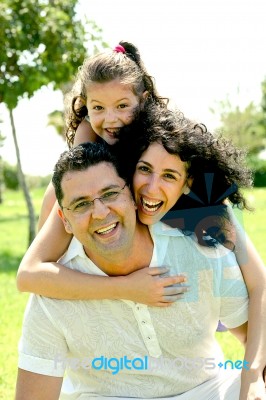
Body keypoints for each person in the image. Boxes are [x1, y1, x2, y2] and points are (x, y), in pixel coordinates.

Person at [17, 105, 266, 399]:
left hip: (207, 390)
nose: (100, 212)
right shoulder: (53, 288)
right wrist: (125, 288)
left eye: (110, 194)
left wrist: (252, 378)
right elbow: (27, 275)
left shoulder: (204, 239)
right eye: (81, 204)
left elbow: (257, 300)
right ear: (65, 219)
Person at [38, 40, 169, 229]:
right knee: (59, 185)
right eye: (98, 107)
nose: (110, 119)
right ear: (86, 105)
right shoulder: (88, 129)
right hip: (101, 216)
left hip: (153, 217)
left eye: (122, 106)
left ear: (143, 101)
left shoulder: (156, 135)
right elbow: (71, 185)